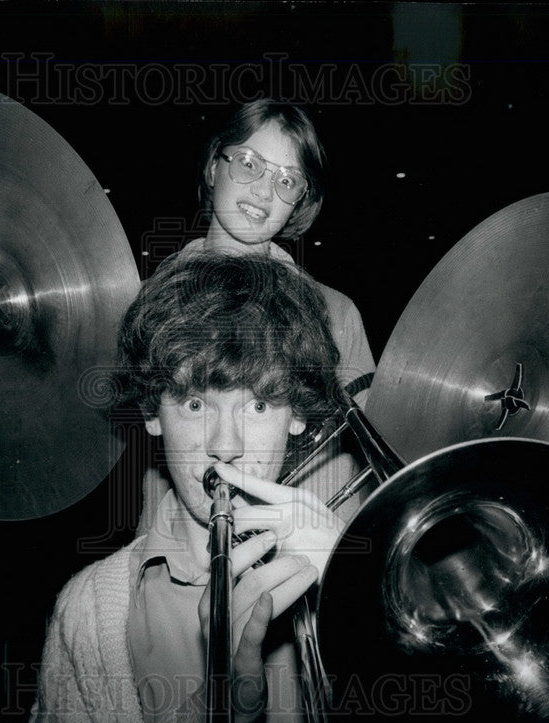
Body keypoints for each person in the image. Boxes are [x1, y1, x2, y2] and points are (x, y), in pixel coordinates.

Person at [15, 252, 348, 723]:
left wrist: (358, 607)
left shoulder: (344, 567)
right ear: (152, 412)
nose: (225, 448)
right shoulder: (91, 607)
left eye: (259, 405)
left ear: (298, 415)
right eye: (194, 404)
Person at [139, 99, 376, 535]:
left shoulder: (335, 314)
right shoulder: (154, 305)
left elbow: (372, 448)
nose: (264, 192)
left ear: (299, 203)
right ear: (213, 167)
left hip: (315, 546)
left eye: (287, 180)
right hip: (187, 548)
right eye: (248, 163)